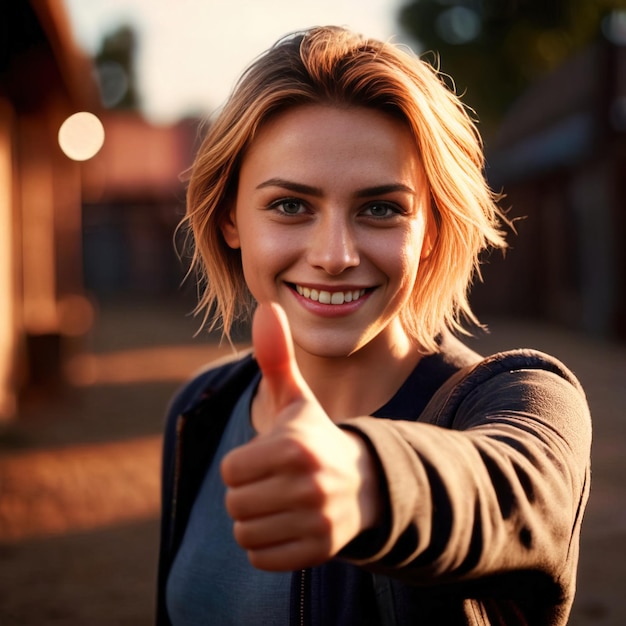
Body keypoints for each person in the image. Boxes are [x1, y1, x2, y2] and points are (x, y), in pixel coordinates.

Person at [157, 26, 591, 626]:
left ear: (431, 229)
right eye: (290, 205)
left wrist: (366, 481)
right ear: (231, 218)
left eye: (381, 208)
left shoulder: (520, 399)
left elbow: (522, 494)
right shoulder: (201, 409)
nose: (334, 254)